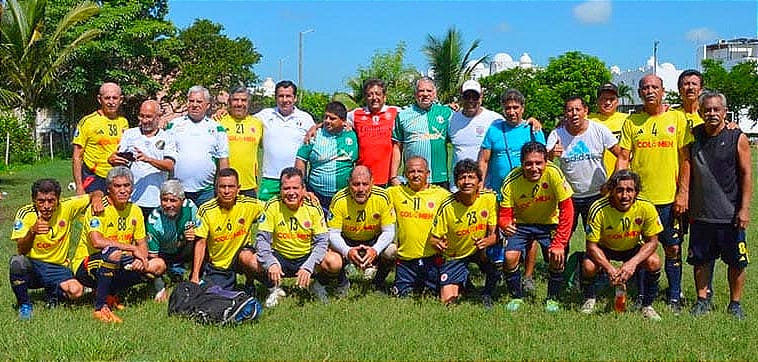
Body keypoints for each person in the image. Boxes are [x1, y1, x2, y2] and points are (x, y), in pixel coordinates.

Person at [616, 74, 691, 313]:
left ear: (663, 91)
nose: (650, 91)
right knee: (640, 250)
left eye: (654, 87)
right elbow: (624, 158)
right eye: (645, 88)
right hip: (640, 201)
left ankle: (674, 295)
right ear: (639, 93)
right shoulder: (632, 122)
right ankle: (641, 294)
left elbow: (685, 159)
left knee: (673, 248)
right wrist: (620, 192)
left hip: (669, 199)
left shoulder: (677, 118)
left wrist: (683, 193)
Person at [686, 92, 751, 320]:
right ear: (700, 112)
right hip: (701, 213)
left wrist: (744, 209)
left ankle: (735, 303)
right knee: (701, 260)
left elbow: (746, 174)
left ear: (725, 112)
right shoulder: (693, 135)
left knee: (736, 261)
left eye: (716, 109)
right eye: (707, 110)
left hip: (730, 214)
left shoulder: (737, 137)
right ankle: (702, 300)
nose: (712, 113)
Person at [72, 166, 166, 323]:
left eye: (126, 185)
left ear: (132, 188)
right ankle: (100, 308)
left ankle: (111, 294)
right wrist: (132, 248)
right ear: (109, 189)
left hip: (118, 261)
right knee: (113, 253)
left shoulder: (135, 210)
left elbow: (142, 243)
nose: (123, 190)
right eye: (117, 186)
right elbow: (97, 241)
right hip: (87, 264)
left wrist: (140, 257)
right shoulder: (98, 207)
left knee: (158, 264)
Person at [9, 179, 102, 320]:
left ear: (58, 199)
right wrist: (32, 232)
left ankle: (54, 294)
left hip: (58, 267)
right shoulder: (25, 213)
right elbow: (21, 250)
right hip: (34, 265)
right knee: (17, 262)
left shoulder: (67, 206)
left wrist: (97, 199)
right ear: (34, 200)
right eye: (41, 201)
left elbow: (96, 192)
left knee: (76, 291)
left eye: (51, 201)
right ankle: (25, 305)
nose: (46, 206)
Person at [498, 142, 574, 313]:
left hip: (549, 223)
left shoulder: (554, 173)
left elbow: (567, 209)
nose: (534, 168)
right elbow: (504, 213)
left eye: (538, 163)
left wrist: (560, 243)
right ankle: (517, 296)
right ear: (522, 163)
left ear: (545, 162)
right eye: (528, 163)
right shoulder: (511, 180)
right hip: (522, 224)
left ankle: (552, 298)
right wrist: (505, 223)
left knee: (556, 257)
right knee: (510, 257)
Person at [581, 170, 663, 321]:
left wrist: (632, 263)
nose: (625, 196)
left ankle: (647, 305)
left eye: (629, 190)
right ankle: (589, 297)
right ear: (611, 191)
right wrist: (609, 268)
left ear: (636, 192)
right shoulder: (598, 208)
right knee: (588, 266)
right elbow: (591, 246)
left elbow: (653, 242)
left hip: (632, 247)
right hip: (605, 247)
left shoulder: (646, 207)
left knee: (654, 262)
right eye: (619, 190)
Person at [253, 167, 342, 307]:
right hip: (280, 256)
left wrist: (309, 266)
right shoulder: (272, 205)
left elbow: (322, 241)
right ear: (280, 189)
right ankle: (274, 288)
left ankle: (318, 286)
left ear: (303, 189)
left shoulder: (313, 206)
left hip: (306, 256)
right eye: (286, 188)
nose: (291, 193)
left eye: (295, 188)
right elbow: (262, 239)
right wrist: (270, 262)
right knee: (251, 260)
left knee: (334, 261)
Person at [429, 159, 500, 307]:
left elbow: (495, 235)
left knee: (497, 252)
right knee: (448, 301)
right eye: (462, 177)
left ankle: (489, 290)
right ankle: (463, 279)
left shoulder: (489, 198)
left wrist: (487, 241)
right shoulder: (447, 206)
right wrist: (439, 244)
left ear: (479, 181)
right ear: (456, 182)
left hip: (479, 250)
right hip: (456, 254)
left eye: (471, 177)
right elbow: (433, 239)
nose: (466, 182)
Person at [547, 96, 620, 234]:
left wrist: (611, 183)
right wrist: (551, 154)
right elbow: (545, 164)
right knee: (562, 237)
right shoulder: (557, 134)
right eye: (569, 110)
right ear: (565, 114)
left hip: (597, 195)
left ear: (585, 110)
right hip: (568, 196)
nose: (574, 113)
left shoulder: (599, 130)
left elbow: (622, 155)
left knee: (597, 238)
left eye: (577, 109)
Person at [189, 168, 264, 292]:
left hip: (241, 257)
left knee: (248, 258)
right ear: (216, 189)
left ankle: (254, 284)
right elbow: (200, 243)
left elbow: (274, 207)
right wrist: (195, 275)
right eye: (222, 187)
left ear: (238, 189)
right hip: (219, 264)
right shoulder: (206, 210)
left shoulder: (249, 205)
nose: (227, 191)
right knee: (215, 293)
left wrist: (304, 195)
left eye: (231, 186)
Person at [387, 156, 450, 297]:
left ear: (428, 174)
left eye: (420, 171)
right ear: (404, 175)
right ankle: (379, 282)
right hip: (405, 259)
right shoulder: (394, 193)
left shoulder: (441, 195)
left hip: (432, 258)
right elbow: (373, 197)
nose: (416, 175)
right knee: (402, 296)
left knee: (434, 294)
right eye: (411, 171)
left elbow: (461, 202)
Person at [328, 166, 396, 296]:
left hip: (372, 240)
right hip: (347, 239)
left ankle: (378, 283)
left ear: (372, 182)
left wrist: (375, 250)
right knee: (331, 258)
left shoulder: (383, 196)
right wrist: (347, 251)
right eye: (356, 184)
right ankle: (342, 283)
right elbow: (333, 233)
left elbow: (389, 231)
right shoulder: (339, 199)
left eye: (365, 184)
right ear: (349, 183)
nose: (360, 189)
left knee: (391, 251)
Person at [109, 100, 177, 219]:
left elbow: (170, 165)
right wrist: (112, 160)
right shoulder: (129, 134)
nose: (144, 120)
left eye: (149, 116)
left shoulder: (167, 137)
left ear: (158, 117)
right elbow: (120, 162)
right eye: (142, 116)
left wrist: (148, 159)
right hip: (132, 199)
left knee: (153, 236)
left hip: (156, 200)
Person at [166, 86, 229, 207]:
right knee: (178, 225)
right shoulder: (173, 125)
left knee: (206, 224)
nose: (194, 105)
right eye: (191, 101)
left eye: (199, 101)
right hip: (177, 189)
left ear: (207, 105)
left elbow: (223, 161)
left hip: (206, 191)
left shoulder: (217, 128)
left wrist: (223, 187)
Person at [478, 88, 546, 198]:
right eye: (508, 108)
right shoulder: (494, 129)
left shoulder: (533, 128)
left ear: (522, 108)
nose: (512, 112)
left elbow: (544, 159)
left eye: (515, 107)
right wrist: (480, 187)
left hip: (528, 193)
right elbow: (483, 161)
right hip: (499, 192)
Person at [255, 80, 315, 201]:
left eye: (288, 96)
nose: (284, 100)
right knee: (264, 216)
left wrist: (317, 126)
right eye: (281, 96)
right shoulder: (264, 115)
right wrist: (223, 112)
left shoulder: (305, 118)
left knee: (292, 216)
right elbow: (244, 119)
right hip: (270, 179)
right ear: (275, 98)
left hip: (294, 181)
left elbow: (320, 132)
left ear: (295, 98)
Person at [390, 77, 452, 188]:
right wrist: (393, 176)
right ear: (415, 93)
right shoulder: (403, 115)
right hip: (413, 178)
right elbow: (397, 147)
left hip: (440, 178)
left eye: (429, 91)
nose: (425, 94)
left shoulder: (447, 113)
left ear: (434, 93)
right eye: (421, 90)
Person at [295, 101, 358, 210]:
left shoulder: (353, 134)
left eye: (332, 118)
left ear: (343, 121)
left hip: (345, 196)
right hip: (316, 196)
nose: (327, 121)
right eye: (325, 117)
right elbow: (301, 160)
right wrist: (302, 187)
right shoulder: (314, 136)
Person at [146, 180, 199, 302]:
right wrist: (159, 288)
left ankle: (198, 277)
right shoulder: (154, 220)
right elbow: (153, 257)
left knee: (201, 240)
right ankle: (164, 277)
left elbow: (202, 233)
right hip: (163, 254)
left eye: (173, 200)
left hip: (183, 248)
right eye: (165, 200)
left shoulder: (190, 207)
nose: (168, 204)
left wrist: (195, 233)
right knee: (154, 267)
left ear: (182, 200)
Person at [72, 82, 129, 194]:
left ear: (121, 100)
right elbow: (77, 157)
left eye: (115, 98)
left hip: (117, 178)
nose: (111, 102)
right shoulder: (88, 122)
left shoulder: (123, 122)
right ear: (99, 99)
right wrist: (79, 186)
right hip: (94, 178)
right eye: (107, 98)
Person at [448, 80, 504, 189]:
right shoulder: (451, 119)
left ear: (481, 97)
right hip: (457, 188)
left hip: (485, 187)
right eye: (467, 96)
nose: (471, 100)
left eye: (475, 97)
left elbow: (516, 126)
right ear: (461, 97)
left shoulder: (495, 119)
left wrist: (532, 121)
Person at [348, 79, 400, 187]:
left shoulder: (396, 112)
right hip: (363, 178)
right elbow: (336, 119)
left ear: (384, 97)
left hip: (387, 178)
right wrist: (316, 127)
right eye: (370, 95)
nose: (374, 98)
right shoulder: (356, 114)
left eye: (378, 94)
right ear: (365, 98)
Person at [218, 86, 263, 198]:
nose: (239, 104)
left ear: (248, 103)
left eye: (243, 100)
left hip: (249, 186)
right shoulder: (218, 122)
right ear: (229, 102)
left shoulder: (257, 124)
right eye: (235, 100)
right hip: (225, 186)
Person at [588, 82, 628, 176]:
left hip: (623, 176)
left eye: (612, 99)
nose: (608, 103)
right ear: (597, 101)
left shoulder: (628, 120)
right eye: (604, 99)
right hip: (595, 177)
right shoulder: (588, 120)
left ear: (617, 101)